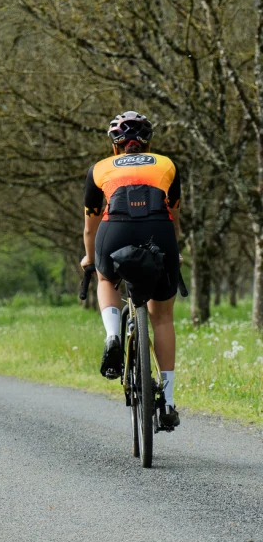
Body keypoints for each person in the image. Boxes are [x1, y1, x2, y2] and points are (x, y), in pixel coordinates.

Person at [81, 111, 181, 429]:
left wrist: (89, 259)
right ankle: (167, 399)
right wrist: (173, 253)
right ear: (148, 141)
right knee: (162, 317)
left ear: (115, 144)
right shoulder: (166, 164)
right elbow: (173, 215)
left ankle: (112, 335)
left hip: (115, 230)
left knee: (106, 277)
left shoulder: (99, 168)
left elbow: (90, 227)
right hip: (160, 231)